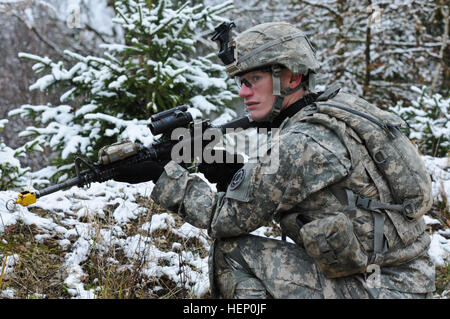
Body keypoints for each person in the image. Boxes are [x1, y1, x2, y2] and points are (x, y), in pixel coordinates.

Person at [114, 22, 435, 299]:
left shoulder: (300, 143)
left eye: (252, 80)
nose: (242, 93)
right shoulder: (336, 109)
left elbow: (222, 219)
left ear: (292, 78)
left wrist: (162, 175)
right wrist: (226, 167)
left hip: (378, 287)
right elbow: (280, 187)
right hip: (407, 275)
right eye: (241, 82)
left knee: (232, 251)